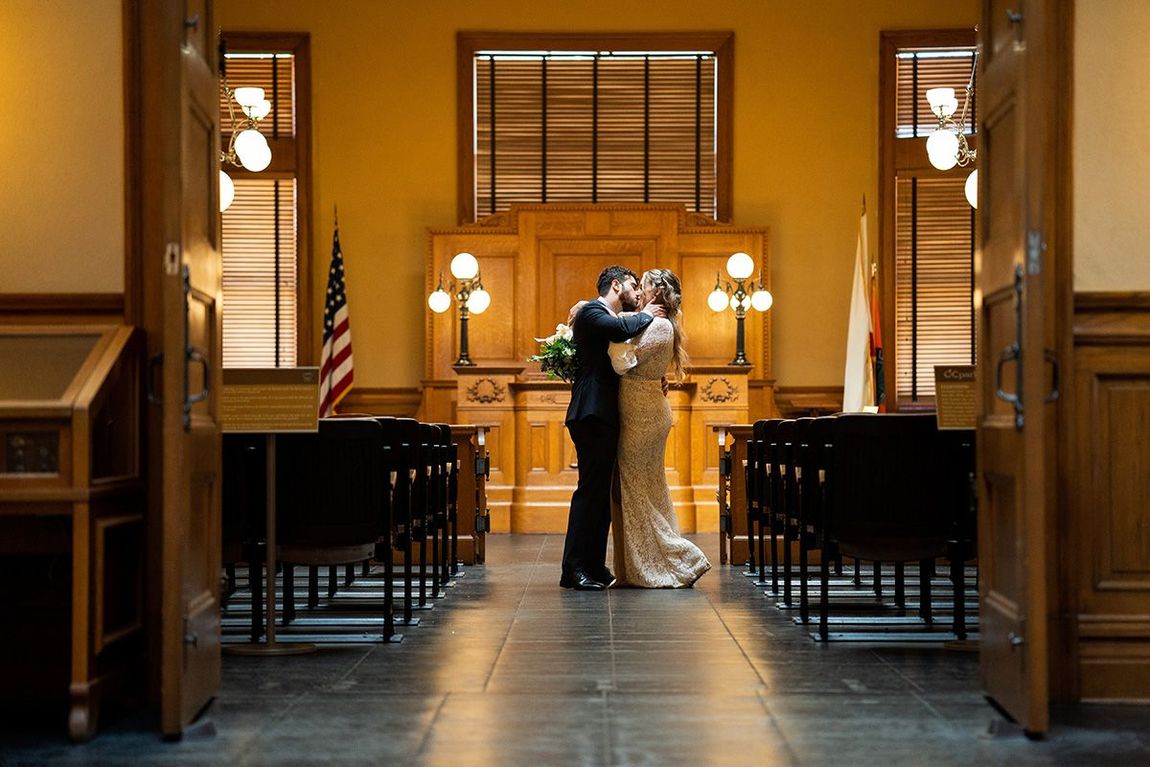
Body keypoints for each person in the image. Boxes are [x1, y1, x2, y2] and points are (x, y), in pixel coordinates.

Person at [561, 265, 665, 591]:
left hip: (603, 413)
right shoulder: (592, 311)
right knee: (589, 492)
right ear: (616, 286)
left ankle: (593, 565)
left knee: (601, 495)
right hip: (590, 413)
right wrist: (647, 314)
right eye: (634, 286)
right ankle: (574, 569)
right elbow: (619, 330)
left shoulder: (605, 314)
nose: (638, 292)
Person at [608, 268, 711, 587]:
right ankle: (637, 566)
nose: (638, 291)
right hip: (637, 408)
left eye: (644, 286)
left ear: (657, 292)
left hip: (644, 413)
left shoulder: (660, 325)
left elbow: (623, 361)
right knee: (638, 486)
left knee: (637, 486)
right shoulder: (650, 322)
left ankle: (678, 558)